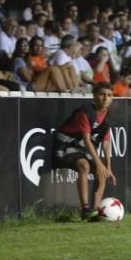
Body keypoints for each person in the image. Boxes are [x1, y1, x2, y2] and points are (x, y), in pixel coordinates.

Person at [52, 82, 117, 221]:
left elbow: (106, 143)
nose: (106, 98)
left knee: (103, 173)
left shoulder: (108, 116)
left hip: (80, 146)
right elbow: (87, 140)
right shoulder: (85, 111)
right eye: (102, 95)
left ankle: (95, 211)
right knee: (85, 166)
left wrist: (108, 168)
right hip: (65, 144)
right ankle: (85, 209)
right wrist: (99, 164)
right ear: (94, 96)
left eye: (109, 95)